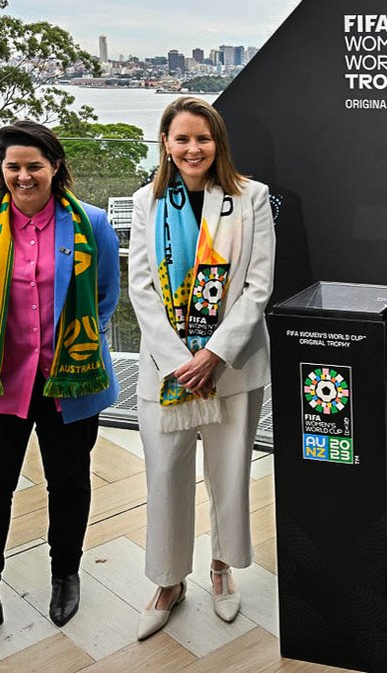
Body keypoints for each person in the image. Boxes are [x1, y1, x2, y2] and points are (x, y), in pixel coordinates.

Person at [0, 120, 120, 643]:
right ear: (1, 169)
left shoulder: (93, 223)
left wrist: (71, 351)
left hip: (71, 380)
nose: (23, 176)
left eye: (33, 166)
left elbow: (105, 296)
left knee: (68, 483)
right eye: (13, 166)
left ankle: (65, 573)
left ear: (55, 166)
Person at [130, 96, 274, 640]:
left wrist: (214, 353)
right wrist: (178, 360)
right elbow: (140, 287)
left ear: (219, 143)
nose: (193, 148)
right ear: (165, 143)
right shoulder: (146, 202)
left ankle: (221, 568)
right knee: (165, 474)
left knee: (229, 472)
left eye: (203, 138)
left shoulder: (251, 198)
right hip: (165, 370)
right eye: (182, 138)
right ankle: (168, 580)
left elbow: (259, 284)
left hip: (231, 367)